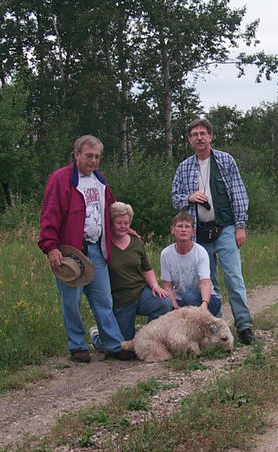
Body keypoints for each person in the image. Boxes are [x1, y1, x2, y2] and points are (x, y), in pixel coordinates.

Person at [38, 135, 136, 362]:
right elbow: (49, 214)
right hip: (70, 253)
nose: (93, 161)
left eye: (97, 157)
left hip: (96, 250)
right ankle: (77, 346)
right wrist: (51, 247)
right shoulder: (61, 179)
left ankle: (113, 345)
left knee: (104, 300)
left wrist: (122, 227)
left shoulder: (98, 181)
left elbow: (111, 209)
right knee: (71, 301)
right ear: (77, 155)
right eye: (89, 156)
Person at [171, 118, 254, 344]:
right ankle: (217, 330)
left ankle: (244, 326)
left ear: (210, 136)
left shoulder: (225, 161)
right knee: (209, 283)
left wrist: (240, 226)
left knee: (234, 279)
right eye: (194, 134)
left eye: (202, 133)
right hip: (199, 233)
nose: (199, 137)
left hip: (226, 228)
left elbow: (239, 194)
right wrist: (189, 197)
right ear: (189, 140)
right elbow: (175, 199)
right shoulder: (184, 167)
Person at [89, 202, 172, 350]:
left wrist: (155, 286)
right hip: (120, 299)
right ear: (111, 223)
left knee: (164, 302)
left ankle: (148, 339)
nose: (123, 226)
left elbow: (147, 268)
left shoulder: (136, 242)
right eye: (119, 223)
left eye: (126, 223)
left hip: (140, 292)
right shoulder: (103, 244)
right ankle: (97, 337)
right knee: (122, 344)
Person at [160, 211, 222, 316]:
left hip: (206, 298)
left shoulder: (200, 252)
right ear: (173, 230)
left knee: (189, 297)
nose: (183, 230)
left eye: (187, 227)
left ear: (192, 231)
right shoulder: (166, 254)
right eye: (180, 226)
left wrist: (204, 303)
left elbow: (205, 282)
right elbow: (167, 286)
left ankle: (205, 324)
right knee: (162, 304)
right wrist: (175, 307)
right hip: (179, 299)